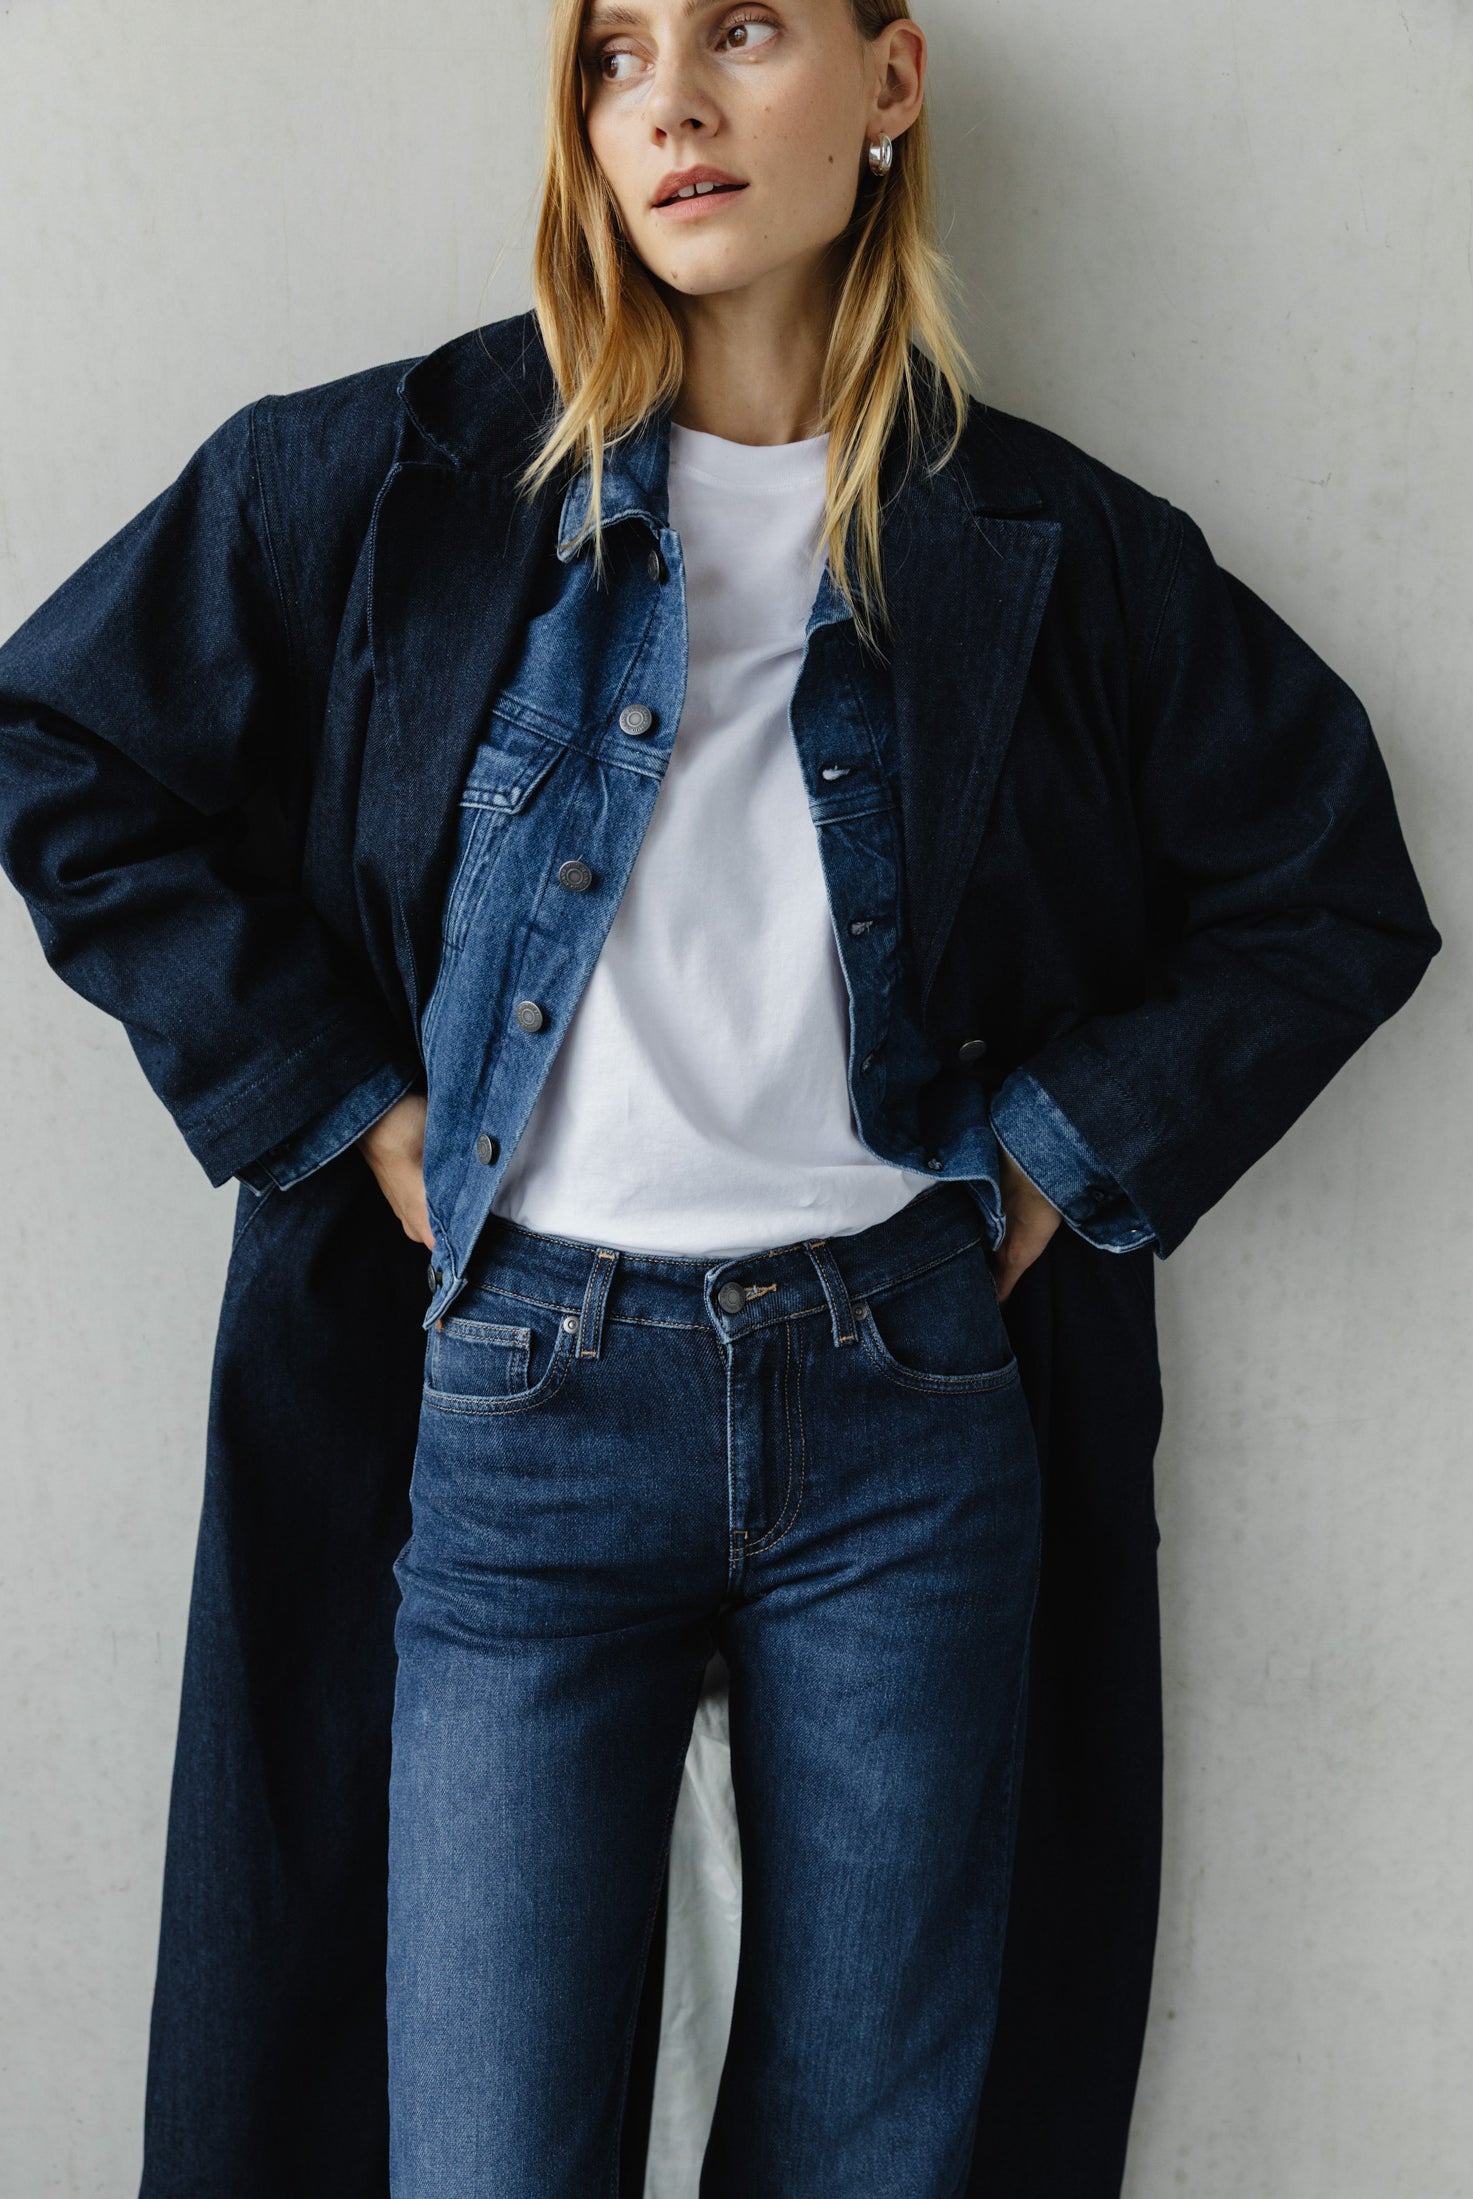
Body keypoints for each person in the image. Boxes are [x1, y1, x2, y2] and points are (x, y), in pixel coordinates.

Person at [0, 1, 1439, 2194]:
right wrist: (341, 1101)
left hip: (904, 1402)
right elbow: (59, 741)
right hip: (518, 1410)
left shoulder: (1040, 544)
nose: (664, 98)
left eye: (743, 31)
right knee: (473, 2148)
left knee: (876, 2149)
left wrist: (1055, 1156)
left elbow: (1327, 887)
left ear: (887, 82)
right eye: (609, 53)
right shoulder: (390, 481)